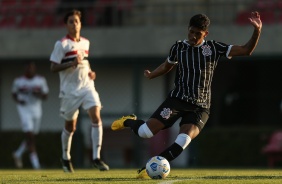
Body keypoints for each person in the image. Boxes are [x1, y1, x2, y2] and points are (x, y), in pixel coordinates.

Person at [111, 11, 262, 178]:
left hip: (200, 107)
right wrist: (152, 74)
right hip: (177, 101)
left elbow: (246, 50)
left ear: (206, 34)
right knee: (145, 132)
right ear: (188, 29)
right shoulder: (179, 48)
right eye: (191, 32)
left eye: (198, 34)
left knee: (183, 140)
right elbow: (167, 65)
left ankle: (151, 168)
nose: (193, 36)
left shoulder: (213, 48)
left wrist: (257, 30)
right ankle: (129, 121)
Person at [49, 9, 109, 173]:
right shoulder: (61, 44)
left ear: (80, 23)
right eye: (71, 21)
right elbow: (53, 67)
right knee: (70, 126)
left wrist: (90, 72)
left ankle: (96, 158)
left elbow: (84, 63)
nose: (74, 24)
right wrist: (71, 64)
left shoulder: (85, 42)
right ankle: (65, 157)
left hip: (87, 86)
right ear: (66, 25)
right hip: (70, 91)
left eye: (77, 21)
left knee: (96, 115)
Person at [12, 62, 49, 170]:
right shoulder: (18, 81)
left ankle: (18, 153)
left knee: (32, 136)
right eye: (28, 69)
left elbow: (46, 95)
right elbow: (14, 94)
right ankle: (36, 165)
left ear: (35, 70)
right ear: (25, 70)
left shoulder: (40, 80)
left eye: (32, 69)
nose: (30, 71)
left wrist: (37, 94)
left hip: (36, 109)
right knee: (30, 136)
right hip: (24, 109)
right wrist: (19, 100)